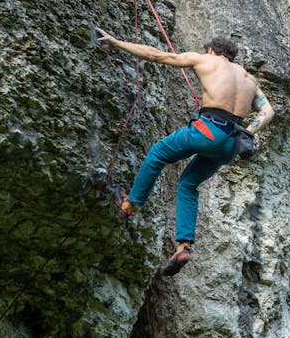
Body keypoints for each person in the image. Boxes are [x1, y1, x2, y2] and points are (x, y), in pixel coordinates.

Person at [95, 28, 274, 276]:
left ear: (212, 50)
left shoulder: (205, 59)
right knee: (189, 184)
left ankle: (131, 205)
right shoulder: (249, 80)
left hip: (208, 131)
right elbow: (268, 112)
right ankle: (183, 246)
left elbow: (157, 55)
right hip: (232, 144)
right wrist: (249, 132)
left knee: (158, 153)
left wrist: (116, 42)